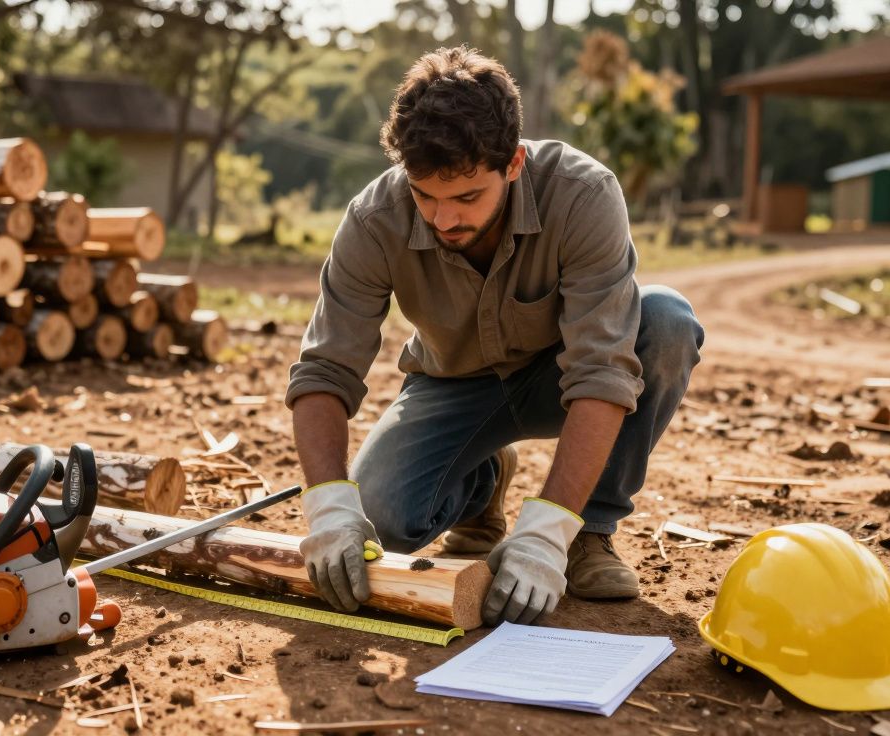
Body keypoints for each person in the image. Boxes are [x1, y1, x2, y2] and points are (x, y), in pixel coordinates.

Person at [285, 46, 704, 626]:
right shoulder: (373, 219)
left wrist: (548, 530)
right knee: (378, 519)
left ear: (513, 164)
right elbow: (324, 369)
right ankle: (482, 486)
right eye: (424, 195)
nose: (443, 219)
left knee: (666, 321)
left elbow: (602, 369)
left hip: (562, 379)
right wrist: (329, 506)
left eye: (466, 197)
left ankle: (590, 532)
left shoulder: (583, 195)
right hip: (451, 384)